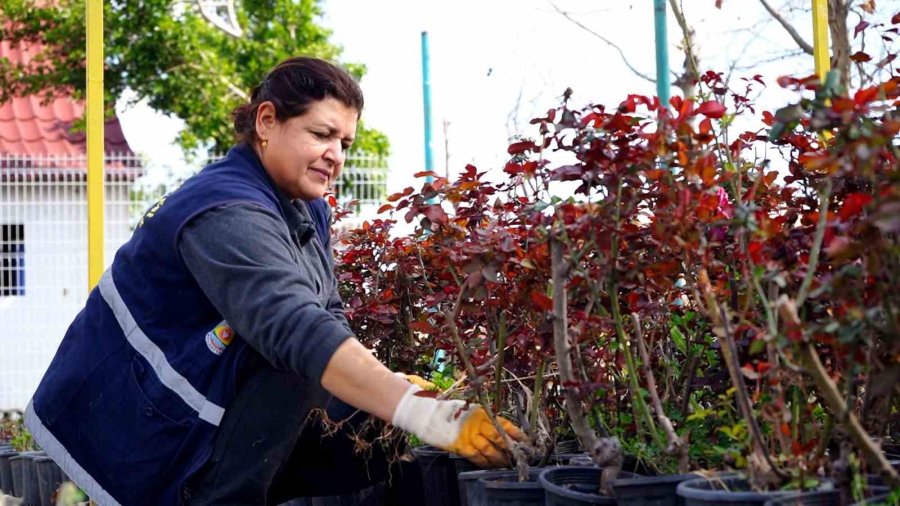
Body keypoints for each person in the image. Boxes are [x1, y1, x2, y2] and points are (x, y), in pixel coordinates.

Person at [24, 56, 524, 505]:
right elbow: (295, 327)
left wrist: (390, 392)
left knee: (376, 427)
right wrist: (429, 416)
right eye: (321, 134)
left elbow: (327, 313)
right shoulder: (224, 210)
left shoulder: (305, 208)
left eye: (344, 143)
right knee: (303, 363)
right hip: (130, 422)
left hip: (196, 405)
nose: (337, 154)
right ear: (267, 121)